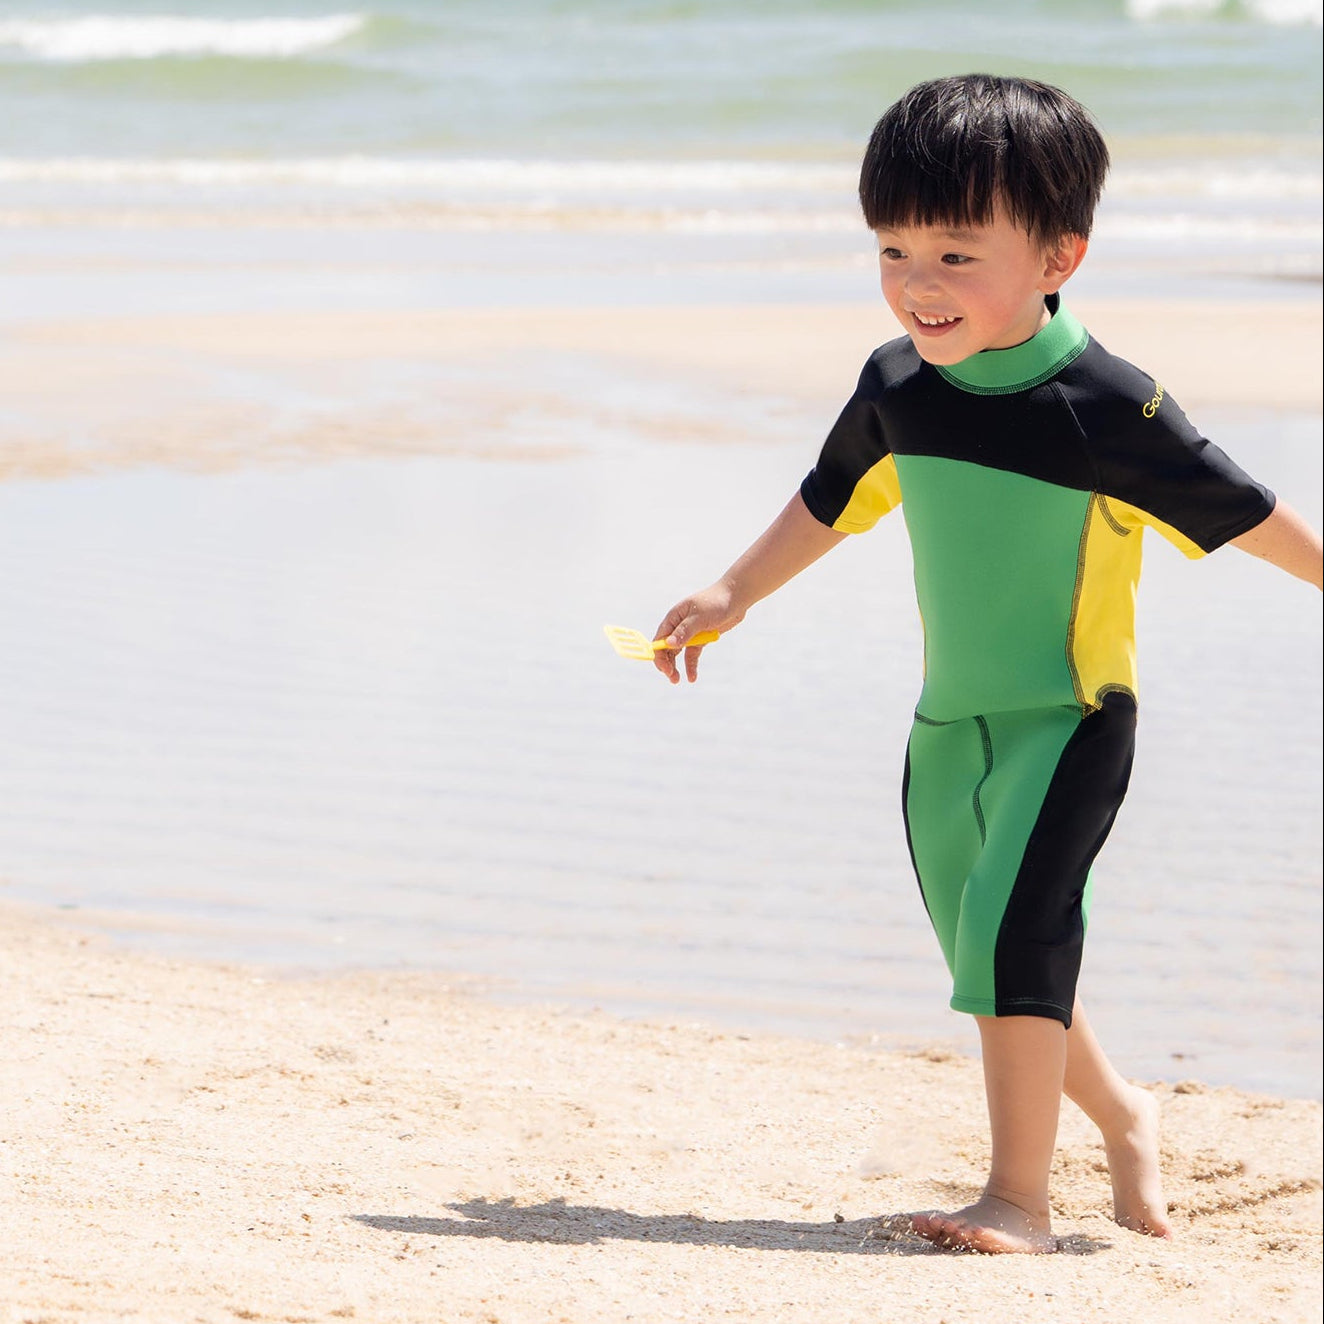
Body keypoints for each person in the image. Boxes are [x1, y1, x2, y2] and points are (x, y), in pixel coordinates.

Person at [646, 74, 1323, 1255]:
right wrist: (729, 591)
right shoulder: (896, 386)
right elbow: (825, 502)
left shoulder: (1107, 406)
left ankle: (1017, 1198)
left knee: (1017, 938)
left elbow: (1250, 512)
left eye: (957, 253)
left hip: (1069, 716)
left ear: (1058, 254)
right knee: (994, 951)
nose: (918, 281)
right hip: (944, 724)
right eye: (895, 247)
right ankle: (1124, 1118)